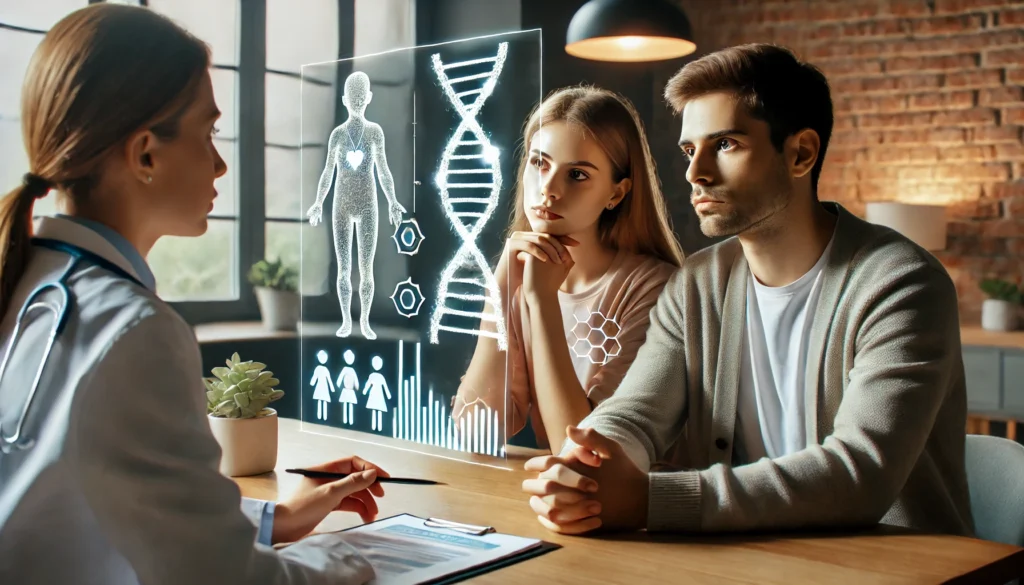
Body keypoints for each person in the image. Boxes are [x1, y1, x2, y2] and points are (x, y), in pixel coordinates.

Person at [0, 5, 388, 584]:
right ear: (145, 154)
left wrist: (270, 518)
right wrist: (363, 560)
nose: (221, 161)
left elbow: (75, 502)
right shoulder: (135, 332)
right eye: (208, 132)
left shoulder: (27, 283)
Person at [521, 44, 973, 538]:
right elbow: (635, 415)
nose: (696, 173)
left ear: (801, 153)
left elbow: (860, 472)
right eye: (690, 150)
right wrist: (584, 468)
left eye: (726, 145)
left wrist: (650, 500)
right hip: (744, 563)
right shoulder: (697, 284)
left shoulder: (901, 285)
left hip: (895, 570)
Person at [452, 86, 684, 453]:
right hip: (560, 500)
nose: (548, 189)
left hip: (638, 503)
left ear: (617, 194)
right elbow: (477, 435)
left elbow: (583, 452)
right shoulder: (519, 281)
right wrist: (498, 292)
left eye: (576, 175)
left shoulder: (653, 290)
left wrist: (542, 301)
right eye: (538, 163)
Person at [307, 72, 406, 341]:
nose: (358, 101)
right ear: (346, 100)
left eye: (361, 97)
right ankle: (346, 320)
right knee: (343, 268)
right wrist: (319, 202)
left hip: (368, 205)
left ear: (369, 99)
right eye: (355, 97)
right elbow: (328, 172)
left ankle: (363, 320)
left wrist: (393, 201)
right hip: (341, 204)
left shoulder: (374, 132)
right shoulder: (338, 135)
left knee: (365, 268)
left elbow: (383, 170)